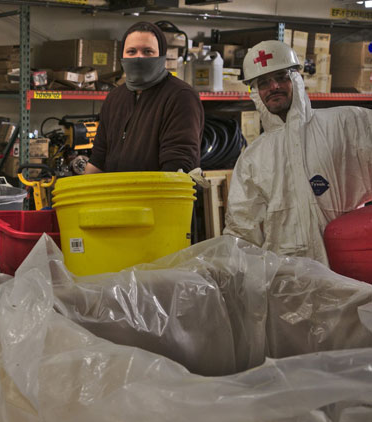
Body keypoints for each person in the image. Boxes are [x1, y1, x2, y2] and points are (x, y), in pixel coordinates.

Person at [224, 40, 372, 265]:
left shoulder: (346, 124)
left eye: (281, 77)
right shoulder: (252, 159)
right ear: (256, 92)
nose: (273, 86)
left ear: (296, 79)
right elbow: (242, 231)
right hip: (287, 279)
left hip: (349, 269)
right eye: (263, 83)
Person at [85, 21, 204, 174]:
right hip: (117, 195)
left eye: (148, 51)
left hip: (158, 195)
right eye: (131, 51)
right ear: (122, 56)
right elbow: (97, 160)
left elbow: (178, 165)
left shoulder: (181, 97)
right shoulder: (115, 97)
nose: (139, 58)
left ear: (162, 56)